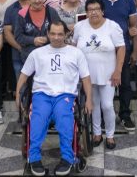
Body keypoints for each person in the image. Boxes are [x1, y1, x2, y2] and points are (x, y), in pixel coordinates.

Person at [15, 21, 93, 176]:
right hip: (41, 94)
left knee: (64, 118)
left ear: (66, 35)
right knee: (38, 118)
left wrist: (89, 99)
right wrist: (18, 95)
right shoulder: (37, 53)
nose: (56, 37)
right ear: (48, 34)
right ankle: (34, 158)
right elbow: (23, 76)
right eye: (53, 34)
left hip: (65, 95)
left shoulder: (76, 53)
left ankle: (67, 158)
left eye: (60, 34)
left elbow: (86, 78)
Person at [72, 0, 125, 149]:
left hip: (109, 74)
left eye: (96, 9)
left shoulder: (112, 26)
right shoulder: (80, 26)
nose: (93, 12)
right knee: (92, 104)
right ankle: (96, 134)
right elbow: (75, 48)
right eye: (90, 10)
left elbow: (121, 48)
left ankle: (110, 135)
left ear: (102, 11)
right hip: (87, 75)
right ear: (86, 12)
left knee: (107, 105)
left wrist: (118, 71)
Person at [100, 0, 137, 130]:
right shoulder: (98, 0)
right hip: (101, 51)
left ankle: (124, 115)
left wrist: (135, 51)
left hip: (123, 49)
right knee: (102, 84)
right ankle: (102, 116)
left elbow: (134, 28)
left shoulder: (128, 0)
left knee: (125, 84)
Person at [15, 0, 62, 64]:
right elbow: (18, 36)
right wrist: (33, 40)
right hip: (30, 57)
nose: (37, 1)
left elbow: (60, 31)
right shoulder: (22, 14)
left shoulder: (51, 11)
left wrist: (48, 38)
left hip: (51, 56)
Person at [4, 0, 31, 79]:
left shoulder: (37, 5)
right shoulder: (11, 9)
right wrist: (20, 48)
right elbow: (7, 33)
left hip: (37, 50)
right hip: (17, 52)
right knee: (21, 82)